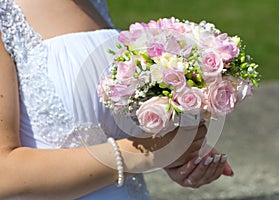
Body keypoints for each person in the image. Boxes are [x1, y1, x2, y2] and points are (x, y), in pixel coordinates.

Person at [0, 0, 234, 199]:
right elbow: (5, 173)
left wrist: (176, 155)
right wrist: (149, 153)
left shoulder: (94, 4)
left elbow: (103, 129)